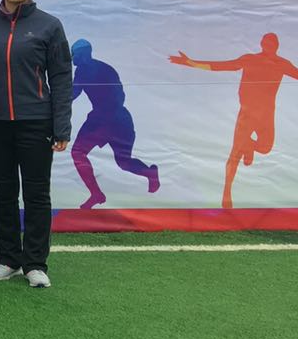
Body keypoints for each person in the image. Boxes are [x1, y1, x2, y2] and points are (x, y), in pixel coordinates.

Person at [0, 0, 72, 289]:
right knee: (3, 192)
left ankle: (35, 263)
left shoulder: (50, 26)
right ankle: (8, 259)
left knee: (36, 194)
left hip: (36, 122)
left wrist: (61, 126)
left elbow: (61, 77)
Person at [169, 34, 298, 208]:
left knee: (266, 147)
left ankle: (249, 146)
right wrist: (191, 63)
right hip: (247, 114)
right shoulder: (250, 59)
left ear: (277, 46)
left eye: (272, 43)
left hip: (266, 115)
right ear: (261, 44)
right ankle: (227, 191)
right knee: (235, 152)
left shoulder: (282, 64)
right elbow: (222, 66)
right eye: (266, 42)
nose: (269, 46)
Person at [70, 39, 160, 209]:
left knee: (84, 154)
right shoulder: (90, 70)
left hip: (110, 120)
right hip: (115, 120)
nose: (72, 58)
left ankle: (98, 193)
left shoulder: (91, 70)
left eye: (74, 54)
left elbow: (74, 94)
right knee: (120, 162)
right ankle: (98, 193)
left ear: (83, 54)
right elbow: (74, 93)